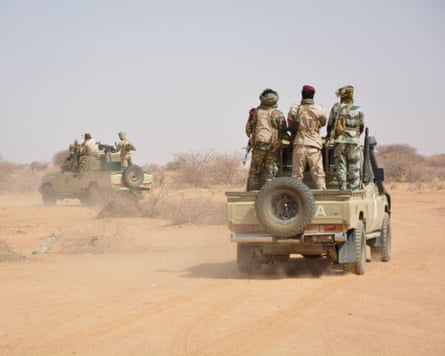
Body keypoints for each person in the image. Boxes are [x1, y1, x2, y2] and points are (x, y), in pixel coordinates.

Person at [245, 88, 287, 191]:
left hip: (258, 146)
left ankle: (251, 195)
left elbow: (248, 131)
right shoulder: (278, 114)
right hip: (272, 148)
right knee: (270, 173)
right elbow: (283, 132)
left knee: (254, 172)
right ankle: (268, 197)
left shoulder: (255, 113)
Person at [287, 85, 327, 190]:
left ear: (302, 94)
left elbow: (290, 124)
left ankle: (295, 199)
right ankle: (323, 197)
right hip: (314, 145)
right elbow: (323, 123)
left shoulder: (295, 109)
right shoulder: (319, 109)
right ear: (313, 95)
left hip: (299, 144)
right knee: (318, 174)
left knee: (296, 175)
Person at [326, 85, 365, 190]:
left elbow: (330, 124)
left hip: (340, 141)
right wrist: (354, 136)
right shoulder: (359, 109)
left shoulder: (336, 108)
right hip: (354, 142)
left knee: (341, 167)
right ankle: (354, 190)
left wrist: (328, 136)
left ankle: (342, 189)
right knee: (354, 167)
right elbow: (361, 127)